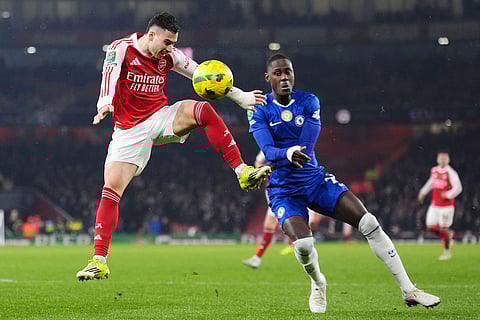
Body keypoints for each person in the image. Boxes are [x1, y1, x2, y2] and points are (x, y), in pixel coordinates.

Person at [76, 13, 271, 281]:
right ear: (151, 35)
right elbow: (109, 74)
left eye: (173, 43)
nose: (170, 48)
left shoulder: (171, 56)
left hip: (160, 116)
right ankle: (99, 260)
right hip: (129, 130)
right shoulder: (121, 47)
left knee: (203, 110)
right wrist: (104, 104)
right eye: (167, 42)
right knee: (111, 190)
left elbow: (203, 74)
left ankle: (242, 171)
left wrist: (241, 97)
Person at [247, 53, 440, 313]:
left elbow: (307, 145)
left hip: (315, 181)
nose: (284, 77)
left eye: (288, 72)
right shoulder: (258, 109)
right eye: (278, 73)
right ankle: (318, 283)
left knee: (369, 223)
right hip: (283, 190)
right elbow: (267, 150)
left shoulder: (308, 101)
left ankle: (409, 290)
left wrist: (291, 152)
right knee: (304, 245)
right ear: (267, 78)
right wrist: (286, 153)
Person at [243, 150, 322, 268]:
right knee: (269, 228)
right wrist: (262, 170)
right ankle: (258, 258)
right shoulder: (266, 148)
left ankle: (298, 249)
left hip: (287, 193)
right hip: (275, 193)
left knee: (288, 228)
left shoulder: (290, 148)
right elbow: (258, 164)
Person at [418, 151, 462, 260]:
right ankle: (449, 235)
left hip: (447, 207)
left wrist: (447, 194)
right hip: (435, 205)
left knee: (443, 228)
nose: (442, 160)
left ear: (448, 160)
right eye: (441, 158)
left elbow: (458, 188)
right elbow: (430, 183)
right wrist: (423, 192)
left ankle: (447, 252)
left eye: (444, 158)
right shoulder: (434, 170)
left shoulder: (450, 172)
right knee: (430, 227)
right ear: (438, 159)